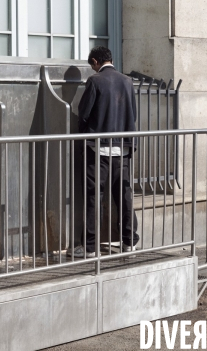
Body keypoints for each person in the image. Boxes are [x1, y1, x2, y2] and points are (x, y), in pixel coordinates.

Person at [68, 46, 140, 258]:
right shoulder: (127, 82)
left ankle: (90, 247)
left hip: (98, 148)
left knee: (94, 196)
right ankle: (129, 242)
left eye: (92, 65)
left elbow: (84, 114)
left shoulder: (95, 81)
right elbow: (132, 114)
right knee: (124, 196)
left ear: (94, 61)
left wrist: (84, 136)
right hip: (123, 149)